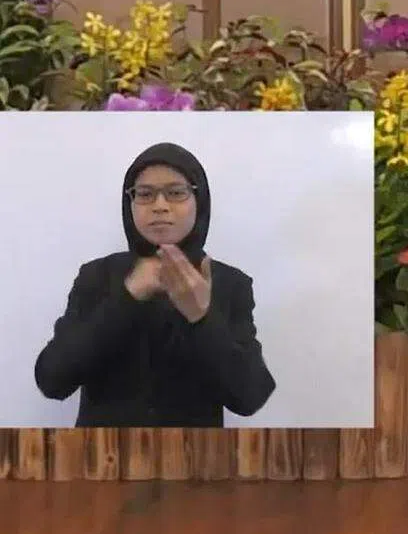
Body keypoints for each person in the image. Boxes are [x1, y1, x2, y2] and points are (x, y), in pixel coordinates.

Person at [34, 142, 276, 427]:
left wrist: (201, 317)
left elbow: (250, 397)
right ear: (130, 203)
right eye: (145, 194)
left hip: (193, 453)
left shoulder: (229, 283)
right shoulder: (97, 277)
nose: (160, 206)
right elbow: (53, 381)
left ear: (199, 201)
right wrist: (128, 296)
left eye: (176, 193)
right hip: (103, 452)